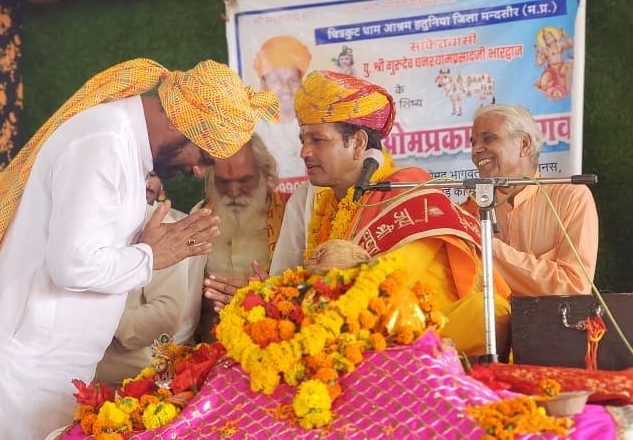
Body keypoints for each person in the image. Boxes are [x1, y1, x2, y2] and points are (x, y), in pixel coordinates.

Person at [0, 58, 278, 438]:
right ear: (180, 121)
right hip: (23, 371)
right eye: (203, 157)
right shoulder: (104, 144)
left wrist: (141, 248)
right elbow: (72, 265)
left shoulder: (122, 144)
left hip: (44, 367)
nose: (197, 171)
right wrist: (150, 257)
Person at [270, 70, 511, 356]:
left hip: (438, 338)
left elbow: (380, 285)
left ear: (358, 143)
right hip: (370, 337)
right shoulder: (328, 205)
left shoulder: (409, 190)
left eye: (318, 140)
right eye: (303, 140)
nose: (305, 152)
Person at [464, 103, 598, 297]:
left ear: (524, 144)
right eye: (473, 143)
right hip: (487, 316)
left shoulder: (571, 198)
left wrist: (486, 244)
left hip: (552, 317)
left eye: (488, 139)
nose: (475, 150)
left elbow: (574, 287)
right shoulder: (474, 206)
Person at [191, 133, 284, 343]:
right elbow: (185, 288)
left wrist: (265, 293)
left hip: (271, 341)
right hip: (211, 342)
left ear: (264, 174)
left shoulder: (288, 215)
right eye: (223, 182)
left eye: (244, 180)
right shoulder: (199, 215)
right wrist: (207, 296)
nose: (233, 192)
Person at [94, 203, 195, 387]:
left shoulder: (159, 224)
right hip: (52, 367)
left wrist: (99, 321)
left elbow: (167, 315)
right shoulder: (67, 215)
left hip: (119, 384)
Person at [252, 35, 312, 181]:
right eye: (277, 80)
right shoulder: (253, 131)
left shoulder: (315, 125)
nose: (286, 89)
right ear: (264, 85)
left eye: (293, 80)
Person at [533, 27, 574, 101]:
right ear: (545, 42)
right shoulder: (545, 50)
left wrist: (565, 36)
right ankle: (553, 85)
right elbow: (539, 63)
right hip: (550, 70)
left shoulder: (559, 45)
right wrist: (538, 55)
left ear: (554, 37)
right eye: (547, 39)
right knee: (543, 83)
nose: (549, 39)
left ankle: (567, 86)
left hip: (561, 67)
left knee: (570, 63)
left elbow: (571, 44)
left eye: (550, 37)